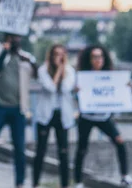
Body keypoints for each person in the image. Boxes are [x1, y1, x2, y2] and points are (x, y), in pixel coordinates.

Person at [0, 0, 37, 188]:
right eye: (11, 36)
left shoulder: (25, 57)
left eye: (17, 36)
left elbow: (37, 73)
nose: (15, 39)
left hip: (17, 109)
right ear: (6, 37)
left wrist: (26, 59)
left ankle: (20, 182)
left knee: (20, 148)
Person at [74, 45, 132, 188]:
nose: (98, 60)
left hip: (104, 116)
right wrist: (77, 91)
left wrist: (125, 88)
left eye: (100, 56)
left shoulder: (110, 75)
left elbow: (117, 91)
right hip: (86, 117)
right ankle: (78, 181)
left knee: (119, 141)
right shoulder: (83, 76)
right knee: (81, 148)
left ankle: (125, 176)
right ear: (89, 59)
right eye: (94, 57)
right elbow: (78, 97)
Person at [32, 44, 76, 188]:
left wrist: (62, 70)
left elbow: (65, 88)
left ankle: (64, 184)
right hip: (45, 114)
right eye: (56, 54)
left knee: (63, 152)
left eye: (61, 54)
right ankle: (35, 183)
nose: (58, 57)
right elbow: (50, 88)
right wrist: (57, 71)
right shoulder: (43, 70)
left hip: (62, 115)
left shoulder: (70, 71)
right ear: (50, 55)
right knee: (41, 150)